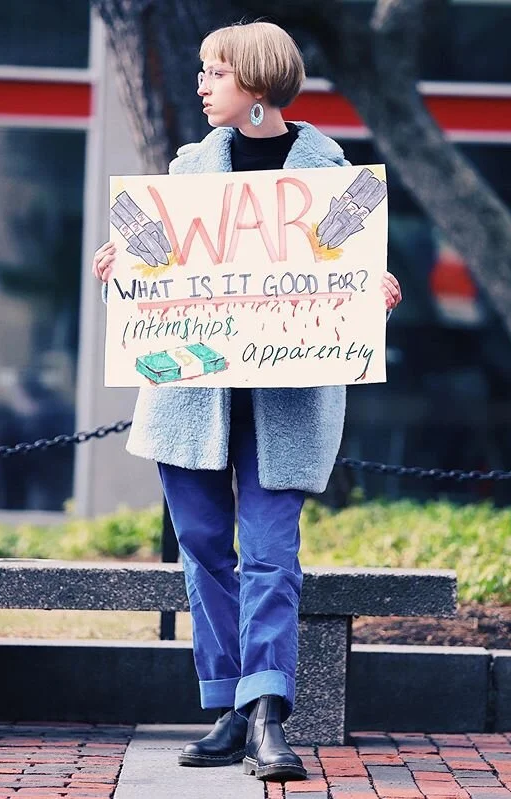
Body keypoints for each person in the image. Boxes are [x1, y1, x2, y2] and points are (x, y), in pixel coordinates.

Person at [93, 20, 403, 783]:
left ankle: (266, 713)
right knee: (202, 547)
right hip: (189, 396)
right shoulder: (187, 170)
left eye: (214, 72)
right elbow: (160, 273)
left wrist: (373, 292)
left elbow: (337, 275)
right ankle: (234, 705)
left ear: (256, 82)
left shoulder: (333, 177)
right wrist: (122, 268)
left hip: (286, 399)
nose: (200, 85)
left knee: (271, 553)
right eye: (201, 71)